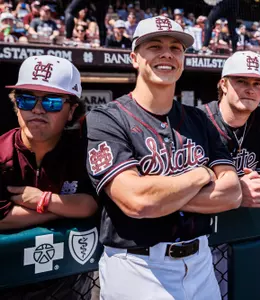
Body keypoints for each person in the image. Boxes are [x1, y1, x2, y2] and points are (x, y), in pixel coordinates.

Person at [85, 16, 242, 300]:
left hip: (200, 261)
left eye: (176, 47)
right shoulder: (106, 119)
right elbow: (138, 201)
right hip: (138, 265)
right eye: (154, 46)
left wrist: (160, 195)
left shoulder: (199, 119)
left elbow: (231, 193)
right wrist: (201, 175)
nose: (167, 53)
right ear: (134, 57)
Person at [0, 55, 97, 299]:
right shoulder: (1, 151)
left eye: (52, 102)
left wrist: (41, 199)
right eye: (26, 99)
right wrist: (59, 207)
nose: (37, 109)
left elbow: (92, 204)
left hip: (70, 282)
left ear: (72, 110)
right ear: (15, 105)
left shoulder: (83, 152)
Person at [199, 51, 260, 299]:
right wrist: (236, 190)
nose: (250, 89)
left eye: (257, 83)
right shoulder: (198, 120)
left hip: (246, 229)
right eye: (241, 81)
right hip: (203, 235)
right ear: (223, 84)